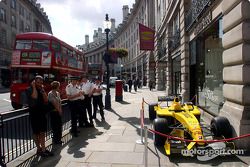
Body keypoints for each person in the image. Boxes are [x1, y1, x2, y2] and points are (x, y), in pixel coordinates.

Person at [26, 75, 53, 157]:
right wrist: (34, 87)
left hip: (42, 113)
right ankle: (38, 149)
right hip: (34, 113)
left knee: (42, 132)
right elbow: (34, 96)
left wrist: (43, 90)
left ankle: (44, 149)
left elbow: (46, 100)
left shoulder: (41, 89)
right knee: (36, 132)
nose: (40, 84)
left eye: (41, 82)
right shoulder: (29, 89)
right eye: (38, 82)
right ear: (34, 82)